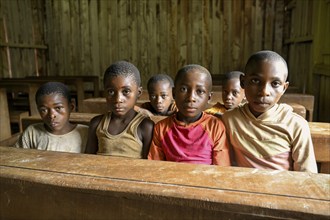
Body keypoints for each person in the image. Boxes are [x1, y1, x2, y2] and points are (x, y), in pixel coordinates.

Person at [221, 50, 317, 173]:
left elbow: (307, 174)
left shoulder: (296, 126)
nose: (264, 91)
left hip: (282, 189)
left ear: (284, 88)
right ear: (243, 82)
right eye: (255, 81)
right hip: (242, 188)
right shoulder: (229, 119)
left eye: (275, 83)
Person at [148, 64, 231, 165]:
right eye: (183, 89)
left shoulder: (215, 127)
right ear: (174, 93)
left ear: (209, 98)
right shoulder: (161, 128)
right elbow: (155, 167)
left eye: (200, 91)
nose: (191, 98)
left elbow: (221, 170)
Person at [85, 60, 154, 159]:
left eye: (126, 91)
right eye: (111, 91)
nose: (118, 99)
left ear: (138, 93)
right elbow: (87, 160)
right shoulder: (97, 124)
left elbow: (148, 165)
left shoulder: (145, 126)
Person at [14, 82, 88, 153]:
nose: (51, 115)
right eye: (44, 110)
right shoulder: (32, 133)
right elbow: (17, 157)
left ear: (71, 107)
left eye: (58, 108)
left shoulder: (85, 133)